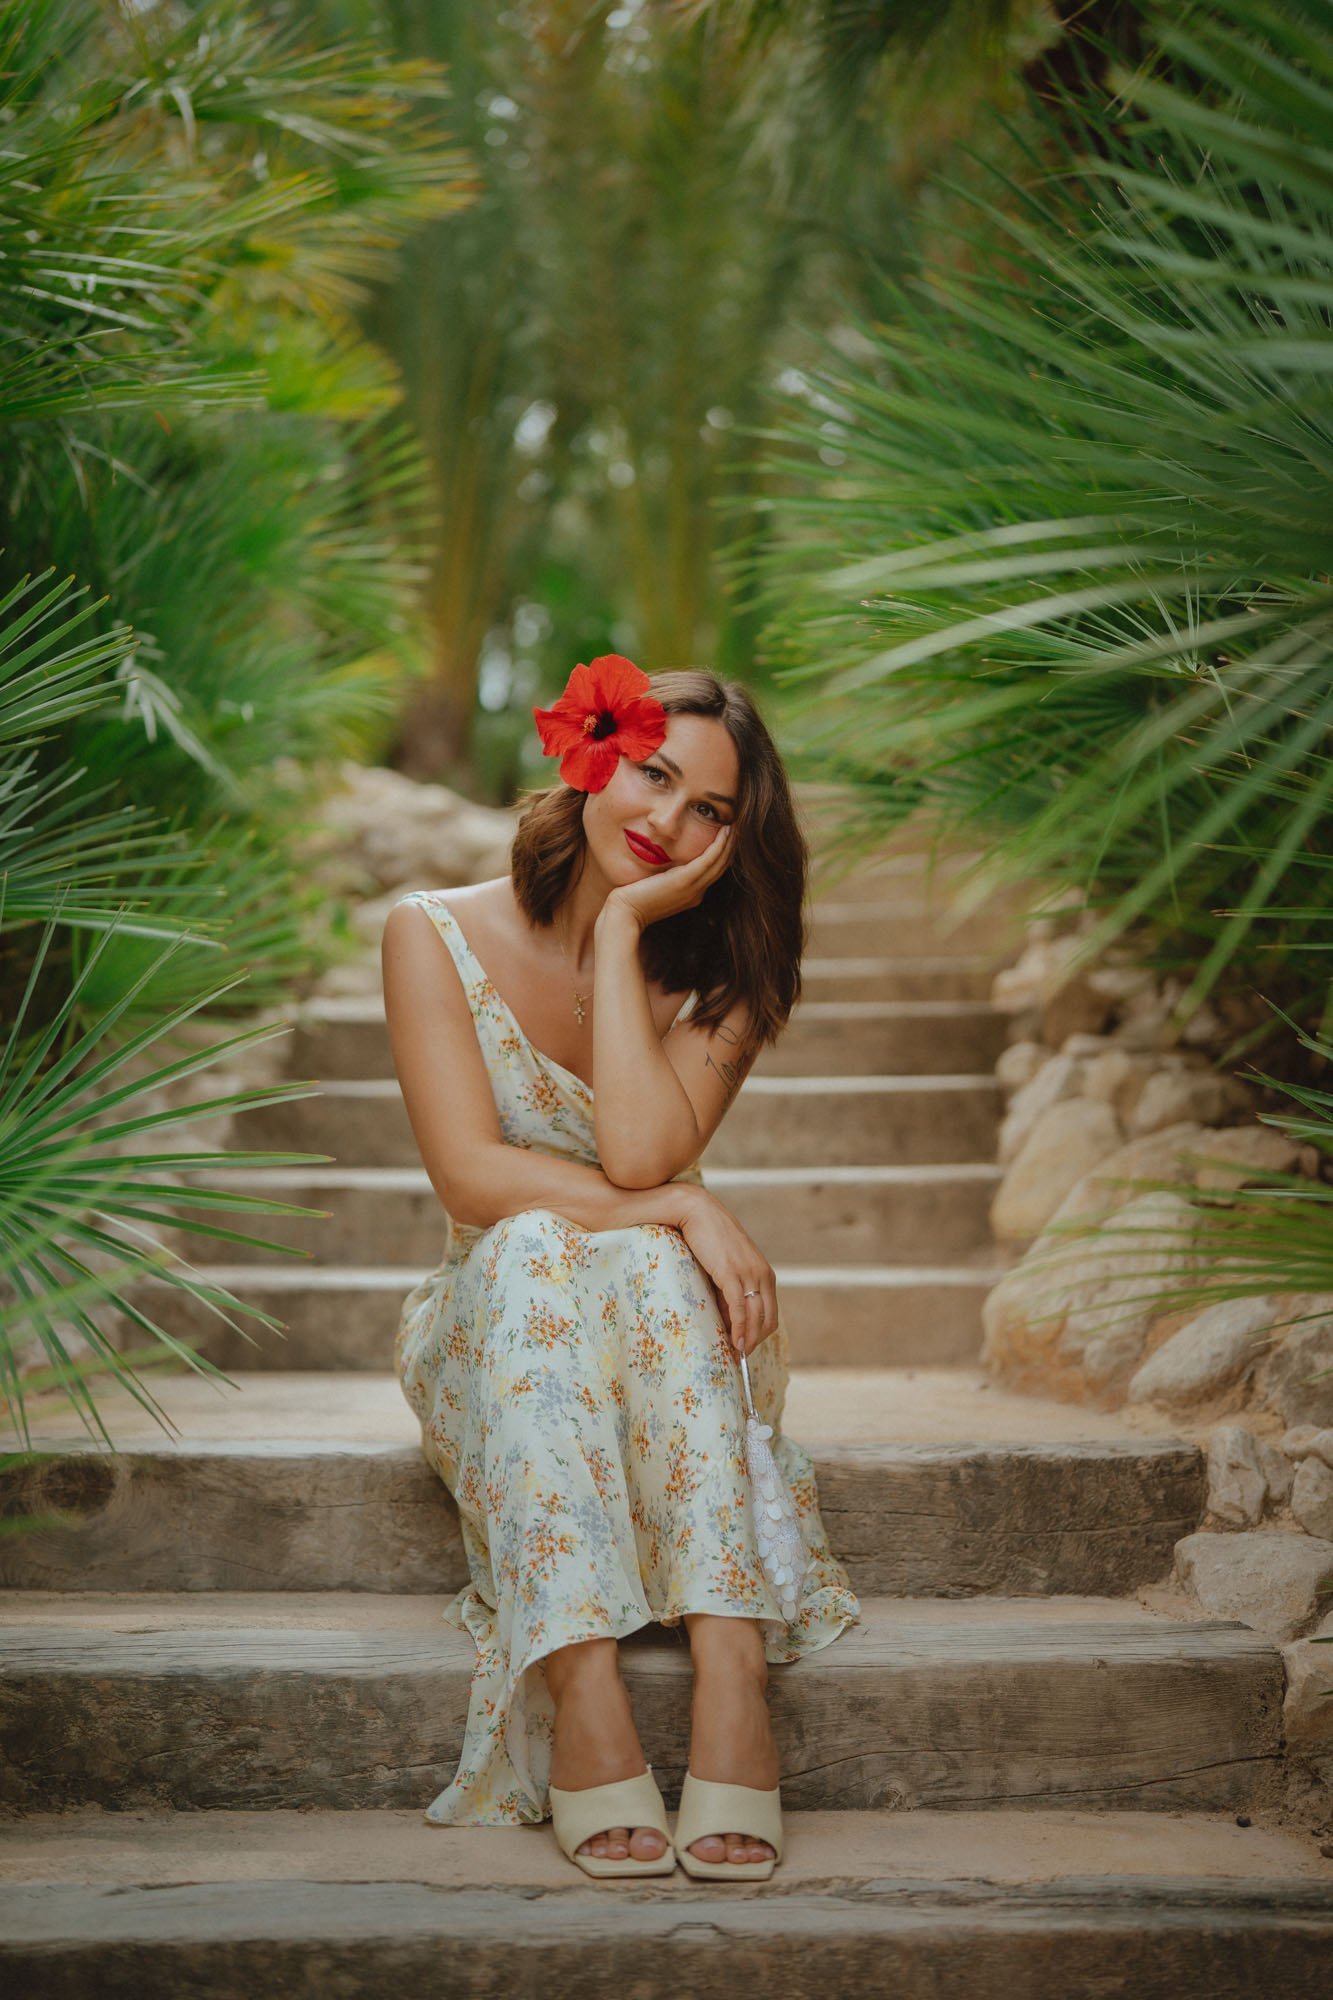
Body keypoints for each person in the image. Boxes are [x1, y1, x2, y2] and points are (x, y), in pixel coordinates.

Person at [382, 654, 859, 1881]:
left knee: (644, 1250)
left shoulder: (726, 976)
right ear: (594, 757)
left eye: (711, 812)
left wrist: (623, 925)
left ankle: (730, 1675)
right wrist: (682, 1204)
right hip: (499, 1321)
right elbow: (473, 1182)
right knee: (549, 1234)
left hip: (665, 1325)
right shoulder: (430, 933)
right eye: (655, 777)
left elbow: (643, 1150)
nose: (669, 822)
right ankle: (583, 1690)